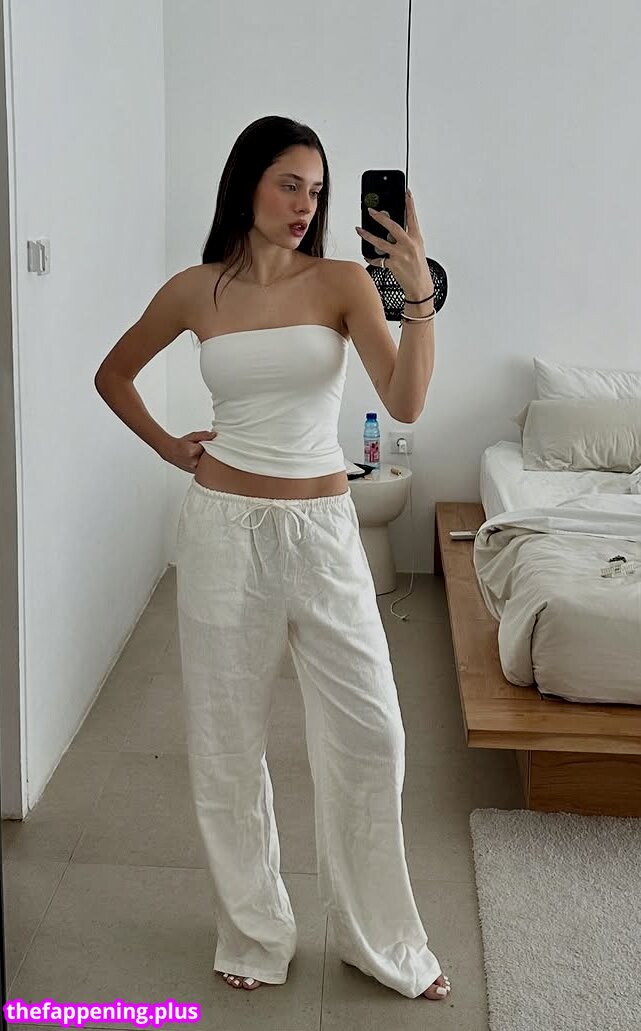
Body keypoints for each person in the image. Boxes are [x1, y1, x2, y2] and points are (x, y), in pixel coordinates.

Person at [94, 115, 450, 1003]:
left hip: (322, 531)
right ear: (246, 181)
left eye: (316, 190)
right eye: (290, 183)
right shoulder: (194, 291)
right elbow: (113, 373)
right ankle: (254, 930)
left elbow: (404, 401)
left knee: (372, 732)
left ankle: (379, 937)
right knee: (225, 739)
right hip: (222, 530)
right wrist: (170, 445)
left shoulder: (340, 282)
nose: (305, 204)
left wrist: (416, 298)